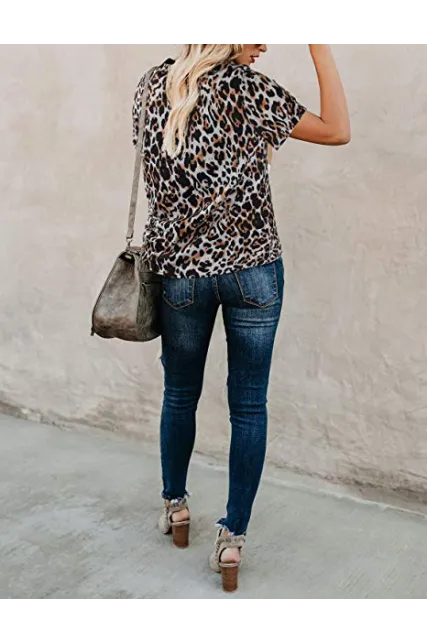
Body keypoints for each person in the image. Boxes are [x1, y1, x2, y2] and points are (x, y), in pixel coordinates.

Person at [132, 42, 350, 592]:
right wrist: (319, 44)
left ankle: (176, 507)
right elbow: (337, 129)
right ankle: (231, 541)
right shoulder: (249, 89)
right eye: (255, 34)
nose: (263, 45)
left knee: (179, 394)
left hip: (182, 275)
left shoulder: (152, 87)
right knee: (249, 406)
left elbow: (165, 169)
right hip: (253, 273)